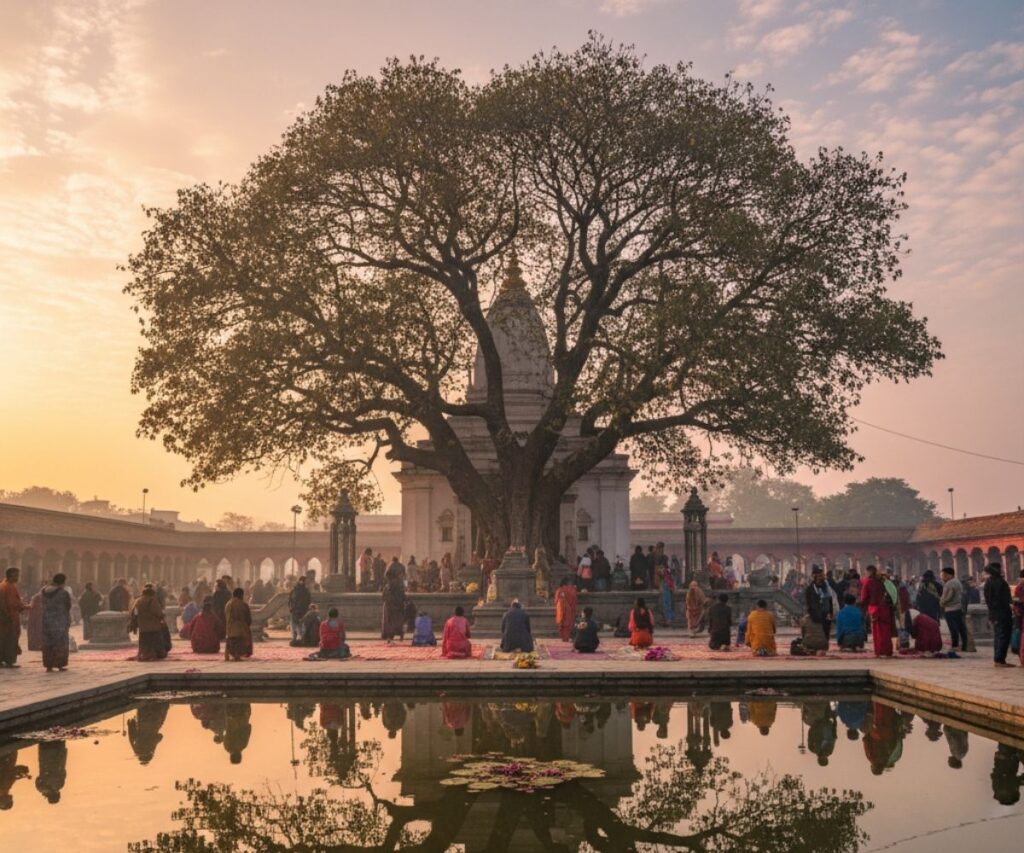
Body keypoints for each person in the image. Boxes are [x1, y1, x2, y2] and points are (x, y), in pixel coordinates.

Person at [860, 565, 895, 657]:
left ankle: (880, 651)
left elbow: (864, 598)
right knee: (886, 631)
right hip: (885, 609)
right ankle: (888, 651)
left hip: (875, 609)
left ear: (869, 572)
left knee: (877, 632)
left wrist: (861, 607)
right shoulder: (882, 582)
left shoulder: (867, 582)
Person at [983, 563, 1015, 667]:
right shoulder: (1000, 582)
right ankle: (1000, 660)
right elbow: (1004, 598)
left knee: (998, 636)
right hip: (1002, 612)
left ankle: (998, 659)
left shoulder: (988, 582)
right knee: (1003, 636)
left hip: (993, 613)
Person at [39, 574, 72, 672]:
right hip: (60, 621)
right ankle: (59, 664)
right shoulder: (63, 593)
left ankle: (48, 665)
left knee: (48, 643)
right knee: (60, 643)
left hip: (46, 620)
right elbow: (68, 606)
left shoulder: (43, 591)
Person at [129, 584, 168, 661]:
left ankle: (144, 653)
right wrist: (162, 616)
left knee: (144, 643)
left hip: (143, 627)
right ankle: (156, 654)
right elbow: (158, 612)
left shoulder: (138, 601)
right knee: (156, 642)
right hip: (153, 627)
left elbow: (133, 613)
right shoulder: (152, 601)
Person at [0, 567, 28, 668]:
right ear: (11, 575)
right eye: (16, 575)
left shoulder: (10, 586)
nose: (17, 577)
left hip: (10, 616)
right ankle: (8, 661)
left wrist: (23, 607)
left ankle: (6, 660)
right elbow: (6, 603)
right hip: (8, 617)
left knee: (8, 639)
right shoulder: (5, 586)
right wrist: (7, 615)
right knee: (8, 639)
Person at [805, 565, 836, 649]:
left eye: (822, 575)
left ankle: (825, 646)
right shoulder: (810, 588)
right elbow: (808, 602)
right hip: (815, 614)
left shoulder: (826, 587)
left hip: (825, 613)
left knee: (826, 631)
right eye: (819, 576)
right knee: (816, 632)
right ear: (814, 576)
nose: (821, 577)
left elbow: (829, 600)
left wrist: (831, 612)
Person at [939, 567, 968, 652]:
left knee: (953, 628)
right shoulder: (957, 582)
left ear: (949, 575)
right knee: (961, 627)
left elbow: (948, 597)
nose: (942, 577)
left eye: (943, 575)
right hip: (958, 607)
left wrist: (942, 602)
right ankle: (964, 645)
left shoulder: (949, 584)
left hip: (951, 608)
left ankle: (955, 645)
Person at [223, 587, 252, 661]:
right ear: (241, 595)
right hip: (240, 631)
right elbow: (248, 619)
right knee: (246, 633)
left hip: (229, 630)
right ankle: (238, 654)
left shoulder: (227, 604)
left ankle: (228, 653)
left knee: (230, 637)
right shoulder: (243, 604)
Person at [381, 573, 406, 642]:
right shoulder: (400, 584)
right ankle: (400, 634)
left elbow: (383, 596)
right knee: (398, 621)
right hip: (398, 605)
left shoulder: (388, 585)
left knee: (389, 622)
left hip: (389, 605)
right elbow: (403, 595)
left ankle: (389, 636)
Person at [288, 577, 311, 643]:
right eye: (304, 581)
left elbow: (308, 601)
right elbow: (290, 600)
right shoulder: (298, 590)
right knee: (296, 624)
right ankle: (297, 638)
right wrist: (291, 608)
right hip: (297, 610)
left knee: (299, 624)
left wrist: (291, 608)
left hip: (299, 610)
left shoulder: (298, 590)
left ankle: (297, 638)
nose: (305, 583)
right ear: (301, 581)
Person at [554, 576, 578, 642]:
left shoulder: (559, 590)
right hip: (570, 609)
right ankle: (566, 638)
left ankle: (564, 638)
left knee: (562, 625)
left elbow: (556, 601)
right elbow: (575, 600)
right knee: (568, 625)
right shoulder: (573, 590)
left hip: (561, 610)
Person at [658, 560, 676, 625]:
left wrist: (671, 588)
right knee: (664, 606)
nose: (661, 569)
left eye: (662, 568)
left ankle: (669, 619)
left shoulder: (667, 574)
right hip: (665, 592)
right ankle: (667, 619)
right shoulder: (664, 575)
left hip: (667, 592)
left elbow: (670, 583)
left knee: (668, 605)